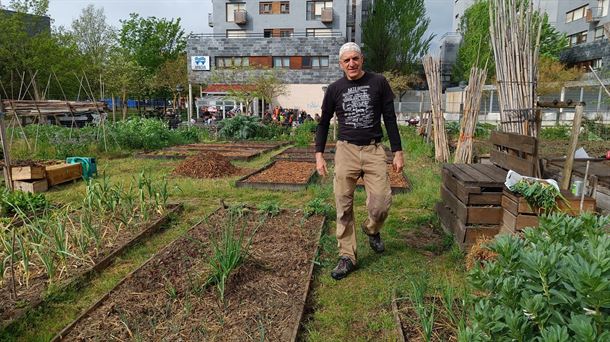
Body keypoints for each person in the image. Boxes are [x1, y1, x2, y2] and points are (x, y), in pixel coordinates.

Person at [314, 42, 404, 280]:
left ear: (362, 59)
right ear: (340, 64)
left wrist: (397, 150)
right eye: (346, 60)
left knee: (381, 204)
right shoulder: (334, 89)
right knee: (343, 205)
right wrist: (319, 155)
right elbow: (323, 123)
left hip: (374, 150)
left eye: (355, 59)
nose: (351, 64)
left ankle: (371, 229)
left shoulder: (378, 82)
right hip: (346, 151)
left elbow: (390, 117)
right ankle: (347, 256)